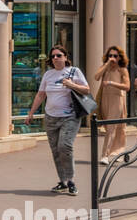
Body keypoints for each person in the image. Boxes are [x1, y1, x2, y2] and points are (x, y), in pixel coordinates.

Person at [26, 45, 91, 197]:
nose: (55, 58)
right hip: (50, 117)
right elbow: (41, 95)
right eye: (53, 56)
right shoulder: (48, 75)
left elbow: (87, 90)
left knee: (65, 146)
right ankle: (62, 182)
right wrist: (31, 113)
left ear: (65, 58)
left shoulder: (74, 71)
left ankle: (71, 181)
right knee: (56, 150)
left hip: (70, 116)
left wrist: (71, 84)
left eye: (59, 55)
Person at [93, 45, 131, 161]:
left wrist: (111, 83)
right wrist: (106, 65)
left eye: (115, 56)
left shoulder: (122, 69)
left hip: (117, 99)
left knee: (111, 127)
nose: (112, 58)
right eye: (110, 55)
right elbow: (96, 77)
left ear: (120, 57)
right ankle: (117, 151)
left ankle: (104, 155)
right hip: (104, 99)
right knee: (109, 126)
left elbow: (127, 87)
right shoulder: (105, 68)